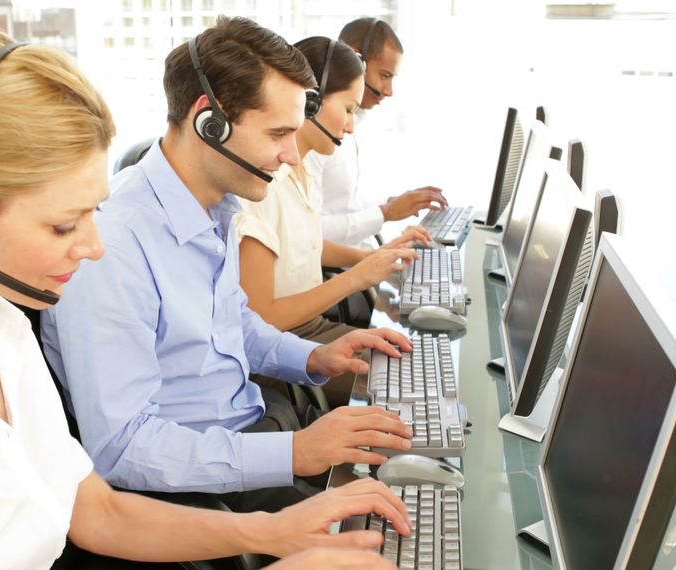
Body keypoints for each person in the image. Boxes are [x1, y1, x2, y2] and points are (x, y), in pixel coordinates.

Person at [0, 27, 409, 569]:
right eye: (64, 225)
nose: (94, 246)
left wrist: (269, 536)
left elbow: (95, 511)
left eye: (92, 213)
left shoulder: (1, 326)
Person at [42, 17, 414, 515]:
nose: (289, 154)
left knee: (406, 482)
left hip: (251, 432)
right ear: (208, 121)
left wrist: (310, 358)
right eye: (278, 134)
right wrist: (295, 453)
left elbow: (232, 323)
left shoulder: (214, 207)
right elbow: (122, 449)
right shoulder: (113, 248)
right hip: (199, 490)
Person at [232, 36, 421, 407]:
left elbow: (307, 245)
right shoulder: (261, 189)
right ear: (311, 102)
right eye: (348, 109)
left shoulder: (303, 171)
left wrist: (372, 260)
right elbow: (261, 317)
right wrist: (356, 277)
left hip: (311, 328)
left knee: (413, 363)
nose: (351, 126)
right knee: (411, 388)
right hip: (284, 346)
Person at [306, 17, 448, 251]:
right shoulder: (317, 134)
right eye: (384, 75)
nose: (389, 91)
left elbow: (343, 206)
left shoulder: (350, 126)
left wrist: (393, 204)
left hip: (357, 258)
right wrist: (385, 213)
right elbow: (309, 234)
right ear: (355, 60)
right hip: (337, 270)